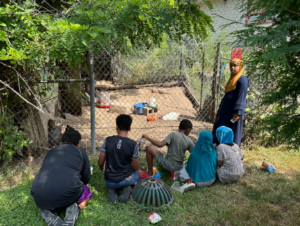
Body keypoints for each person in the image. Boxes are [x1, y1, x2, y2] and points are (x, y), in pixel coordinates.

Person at [31, 126, 92, 226]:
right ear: (78, 143)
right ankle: (75, 209)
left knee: (55, 196)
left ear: (62, 141)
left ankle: (49, 211)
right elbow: (86, 179)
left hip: (39, 196)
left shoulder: (51, 152)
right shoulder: (81, 153)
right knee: (86, 190)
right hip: (67, 193)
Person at [98, 114, 140, 204]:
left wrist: (102, 168)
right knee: (137, 175)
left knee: (112, 183)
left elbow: (100, 162)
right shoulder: (133, 144)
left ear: (116, 127)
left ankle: (112, 190)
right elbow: (136, 167)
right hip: (126, 178)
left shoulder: (108, 140)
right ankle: (127, 188)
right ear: (129, 128)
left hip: (110, 179)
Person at [212, 58, 249, 146]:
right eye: (231, 66)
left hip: (233, 113)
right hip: (225, 112)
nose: (232, 68)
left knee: (232, 131)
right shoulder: (232, 80)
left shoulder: (242, 79)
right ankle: (217, 149)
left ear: (240, 66)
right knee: (219, 128)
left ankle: (232, 153)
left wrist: (237, 112)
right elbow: (226, 97)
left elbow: (241, 96)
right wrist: (220, 110)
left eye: (235, 65)